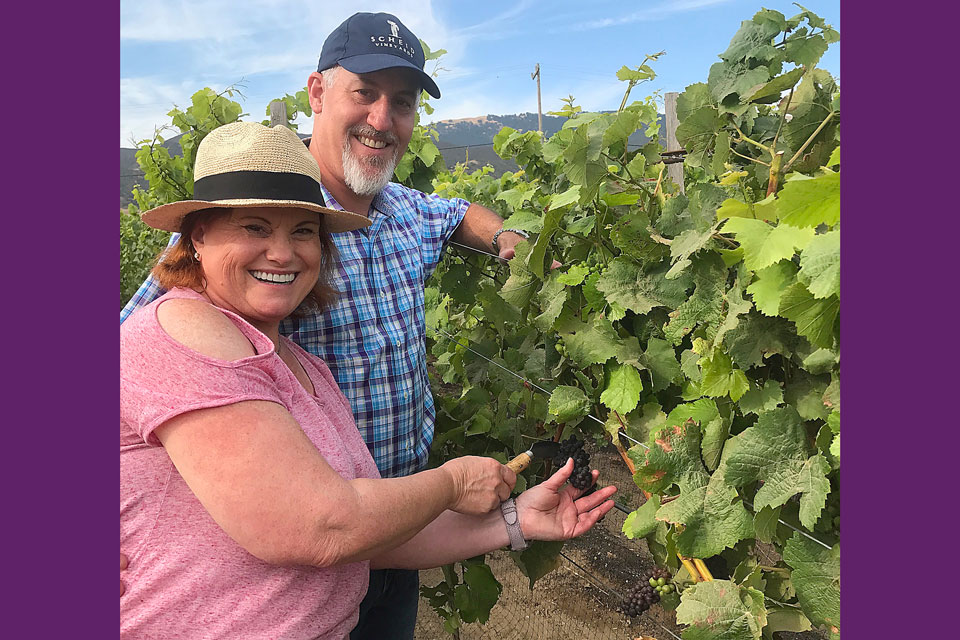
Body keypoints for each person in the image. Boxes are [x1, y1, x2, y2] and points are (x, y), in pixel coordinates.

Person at [120, 12, 558, 638]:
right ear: (318, 93)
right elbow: (120, 373)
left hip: (403, 532)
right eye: (365, 93)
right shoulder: (187, 308)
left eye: (400, 103)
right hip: (261, 566)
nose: (382, 119)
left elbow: (457, 212)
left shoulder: (404, 215)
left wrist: (507, 237)